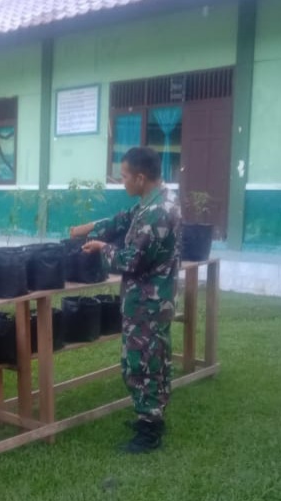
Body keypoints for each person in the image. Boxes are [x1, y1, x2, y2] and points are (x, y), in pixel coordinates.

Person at [70, 147, 181, 454]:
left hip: (147, 301)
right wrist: (88, 228)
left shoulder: (157, 214)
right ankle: (151, 417)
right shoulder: (157, 201)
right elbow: (124, 220)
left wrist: (100, 248)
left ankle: (149, 430)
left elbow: (130, 260)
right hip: (156, 298)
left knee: (142, 363)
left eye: (124, 177)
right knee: (156, 357)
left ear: (141, 178)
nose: (123, 183)